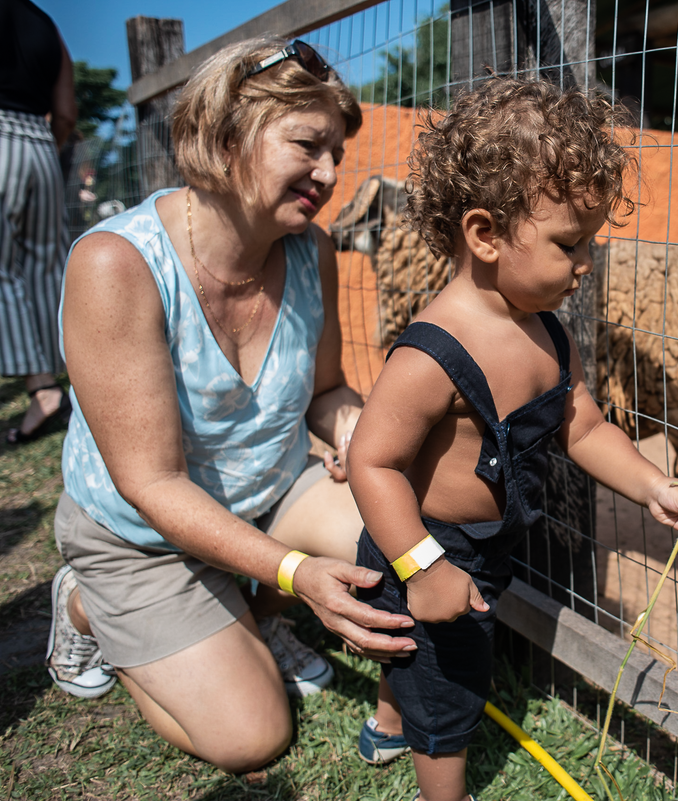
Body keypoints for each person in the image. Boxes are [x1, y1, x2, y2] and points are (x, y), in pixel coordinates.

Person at [346, 77, 678, 801]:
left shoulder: (548, 332)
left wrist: (654, 485)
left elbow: (580, 421)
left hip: (486, 544)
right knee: (446, 679)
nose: (586, 265)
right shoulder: (431, 353)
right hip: (421, 543)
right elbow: (373, 460)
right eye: (569, 244)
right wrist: (424, 568)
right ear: (485, 234)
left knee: (409, 652)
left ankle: (387, 723)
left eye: (590, 243)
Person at [51, 36, 417, 773]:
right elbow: (151, 484)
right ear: (227, 137)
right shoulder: (116, 264)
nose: (330, 174)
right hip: (143, 535)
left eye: (337, 152)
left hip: (267, 495)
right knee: (252, 737)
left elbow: (324, 391)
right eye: (308, 145)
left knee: (400, 527)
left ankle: (243, 604)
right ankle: (88, 606)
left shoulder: (309, 252)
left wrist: (353, 429)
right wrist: (293, 569)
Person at [0, 0, 75, 438]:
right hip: (40, 143)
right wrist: (49, 147)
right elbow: (65, 113)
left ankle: (42, 389)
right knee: (49, 268)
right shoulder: (45, 21)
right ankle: (76, 374)